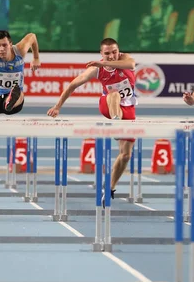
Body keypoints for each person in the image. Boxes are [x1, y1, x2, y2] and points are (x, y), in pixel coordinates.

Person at [47, 38, 136, 200]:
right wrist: (58, 106)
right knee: (114, 94)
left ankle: (109, 187)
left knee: (125, 155)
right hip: (107, 105)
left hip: (128, 108)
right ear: (101, 54)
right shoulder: (96, 70)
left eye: (114, 52)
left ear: (119, 51)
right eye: (107, 53)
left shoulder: (125, 58)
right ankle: (115, 124)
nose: (111, 56)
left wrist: (103, 64)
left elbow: (131, 65)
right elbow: (72, 85)